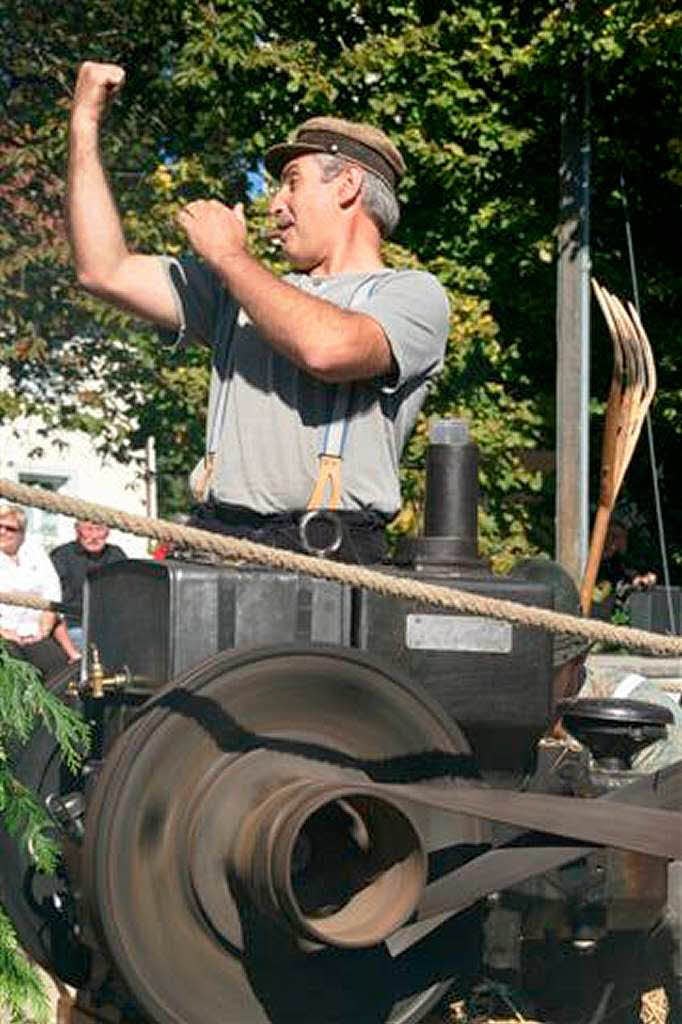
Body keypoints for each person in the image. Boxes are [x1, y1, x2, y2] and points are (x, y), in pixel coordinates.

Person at [67, 62, 450, 565]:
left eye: (292, 182)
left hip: (327, 558)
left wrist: (228, 256)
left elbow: (329, 348)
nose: (275, 204)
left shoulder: (411, 294)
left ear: (348, 186)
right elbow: (104, 270)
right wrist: (84, 123)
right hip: (217, 543)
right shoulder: (241, 292)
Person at [0, 504, 77, 676]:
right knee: (16, 671)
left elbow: (51, 596)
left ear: (22, 533)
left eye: (10, 528)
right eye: (0, 526)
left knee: (59, 670)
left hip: (36, 631)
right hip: (4, 634)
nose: (3, 532)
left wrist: (43, 632)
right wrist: (5, 633)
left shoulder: (35, 552)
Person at [50, 520, 127, 650]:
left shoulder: (116, 555)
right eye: (89, 529)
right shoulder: (62, 556)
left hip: (110, 625)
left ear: (107, 533)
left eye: (99, 530)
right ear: (77, 530)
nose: (94, 536)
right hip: (74, 624)